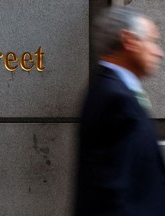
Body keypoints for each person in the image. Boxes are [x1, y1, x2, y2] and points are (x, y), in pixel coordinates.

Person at [75, 6, 165, 216]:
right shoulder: (114, 98)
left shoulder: (115, 91)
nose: (158, 52)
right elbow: (110, 190)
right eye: (151, 41)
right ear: (129, 40)